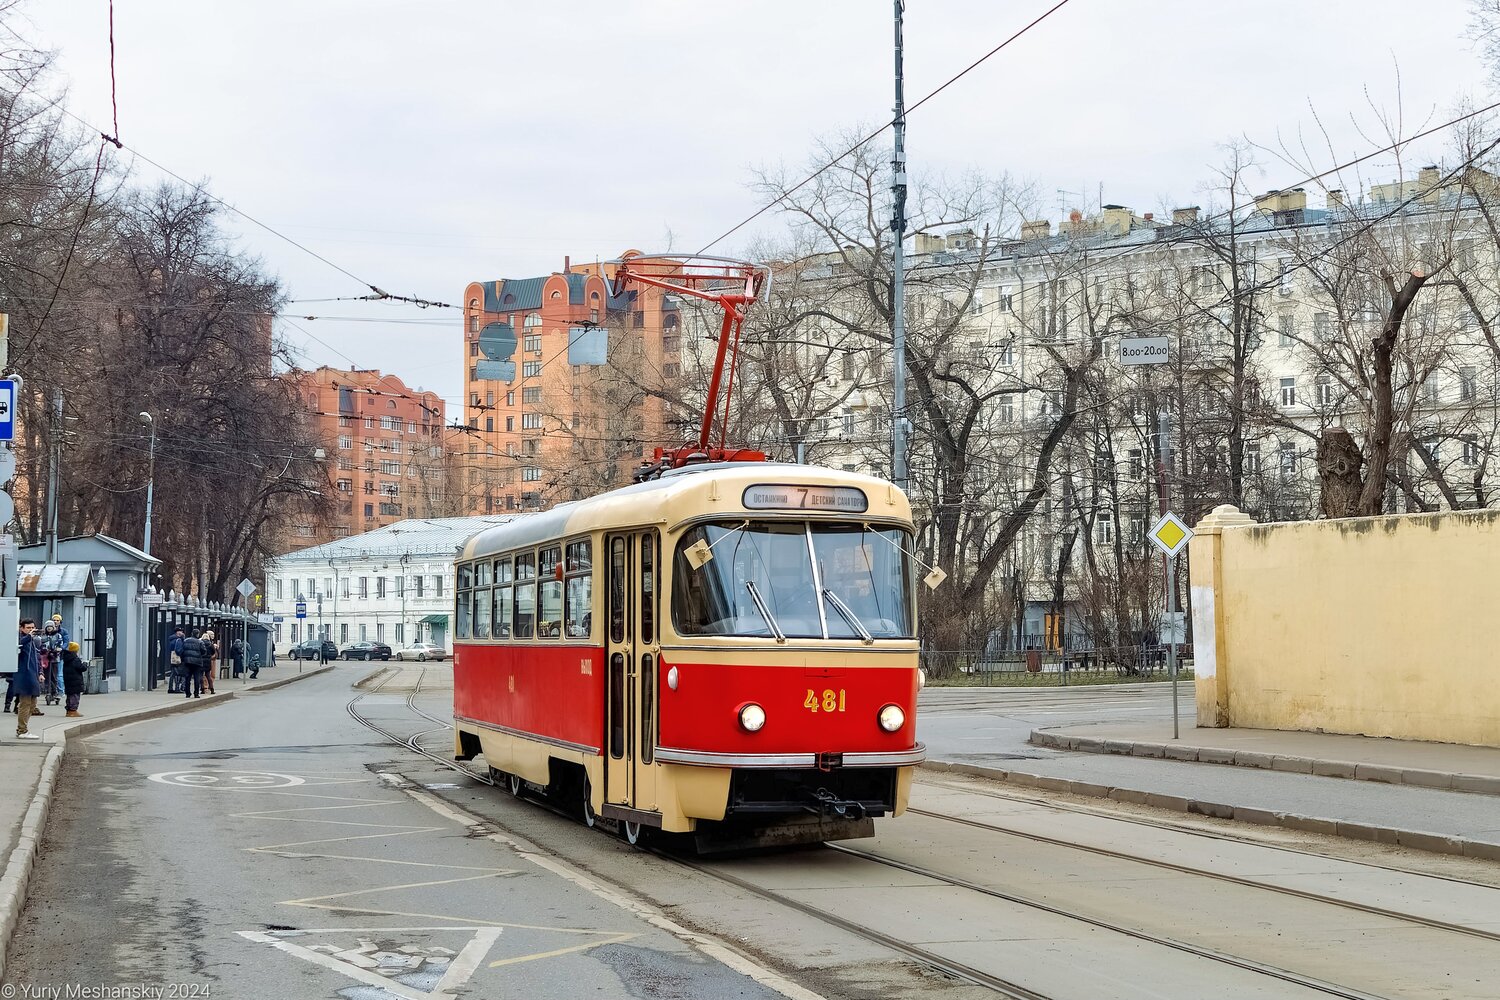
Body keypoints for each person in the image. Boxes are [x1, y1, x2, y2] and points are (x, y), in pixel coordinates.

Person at [14, 619, 42, 739]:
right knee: (25, 703)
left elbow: (36, 658)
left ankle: (23, 728)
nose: (31, 630)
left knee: (32, 704)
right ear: (21, 628)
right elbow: (18, 644)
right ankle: (22, 730)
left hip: (33, 675)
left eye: (32, 628)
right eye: (28, 628)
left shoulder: (32, 642)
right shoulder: (21, 639)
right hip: (24, 675)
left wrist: (40, 672)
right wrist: (28, 637)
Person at [179, 630, 209, 699]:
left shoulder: (186, 641)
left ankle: (187, 693)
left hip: (187, 662)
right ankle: (196, 693)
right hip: (197, 662)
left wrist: (184, 659)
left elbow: (181, 650)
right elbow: (204, 651)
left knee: (187, 678)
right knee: (196, 678)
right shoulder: (200, 642)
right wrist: (199, 655)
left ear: (192, 633)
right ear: (198, 634)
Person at [61, 642, 86, 718]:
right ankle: (73, 710)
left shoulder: (66, 658)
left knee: (70, 695)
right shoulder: (75, 659)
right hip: (75, 680)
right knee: (75, 696)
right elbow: (81, 668)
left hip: (68, 680)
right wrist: (85, 665)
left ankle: (69, 710)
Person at [168, 627, 187, 694]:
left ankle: (170, 688)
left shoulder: (171, 639)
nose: (182, 633)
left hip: (172, 658)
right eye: (181, 631)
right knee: (178, 673)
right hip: (178, 658)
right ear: (178, 632)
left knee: (173, 673)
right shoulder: (178, 640)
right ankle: (177, 688)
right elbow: (178, 650)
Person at [201, 630, 218, 695]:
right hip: (208, 661)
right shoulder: (211, 644)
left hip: (201, 661)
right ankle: (212, 689)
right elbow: (213, 652)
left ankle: (202, 689)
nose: (213, 636)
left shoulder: (200, 643)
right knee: (208, 675)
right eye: (212, 634)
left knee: (201, 675)